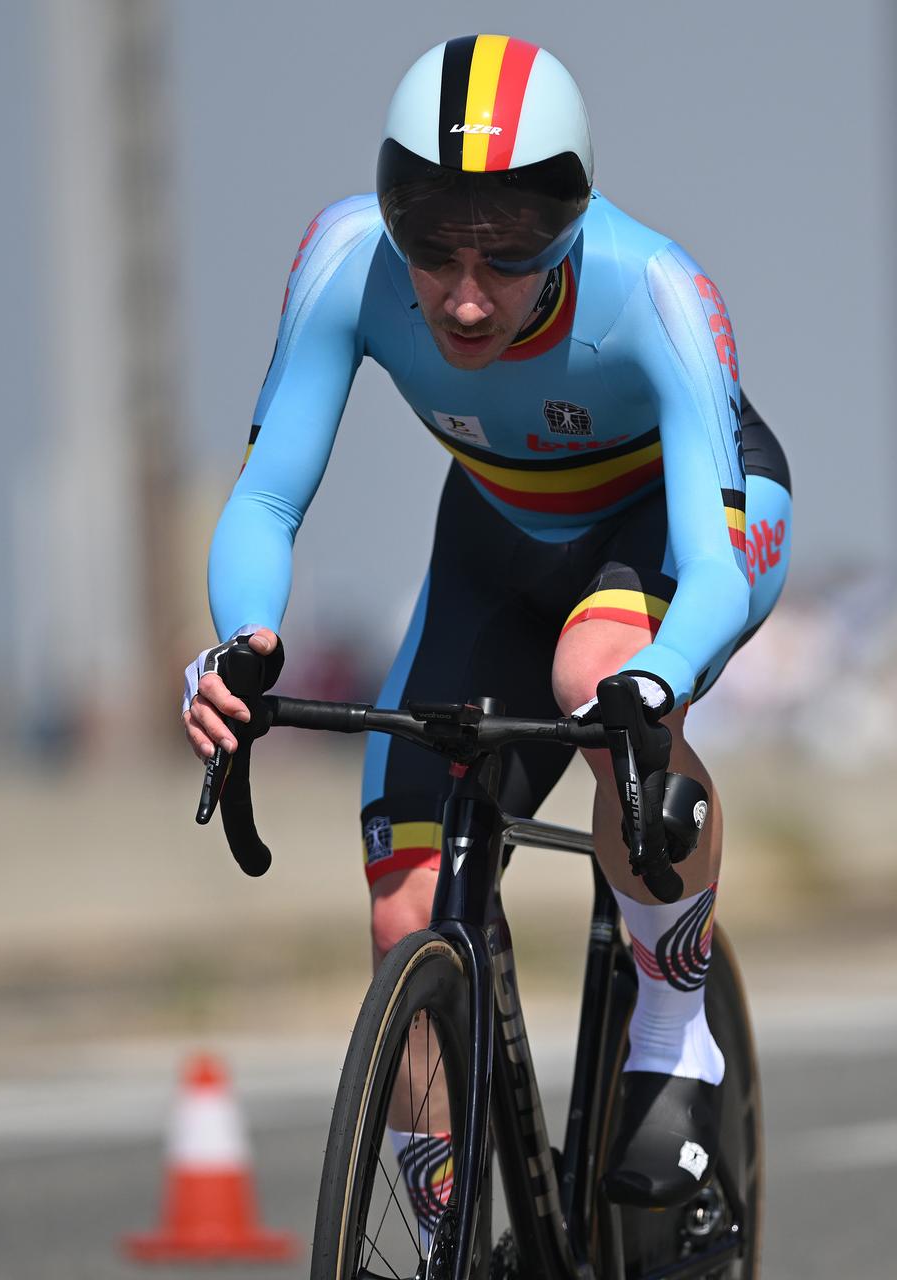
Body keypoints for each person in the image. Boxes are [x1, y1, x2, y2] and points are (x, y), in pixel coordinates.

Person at [180, 35, 792, 1218]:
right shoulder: (346, 258)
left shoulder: (655, 287)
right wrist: (241, 642)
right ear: (391, 214)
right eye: (435, 247)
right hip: (496, 540)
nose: (465, 294)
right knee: (407, 899)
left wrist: (654, 687)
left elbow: (712, 569)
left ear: (570, 224)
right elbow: (262, 495)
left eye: (509, 253)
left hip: (674, 522)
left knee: (593, 669)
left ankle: (675, 1043)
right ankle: (438, 1219)